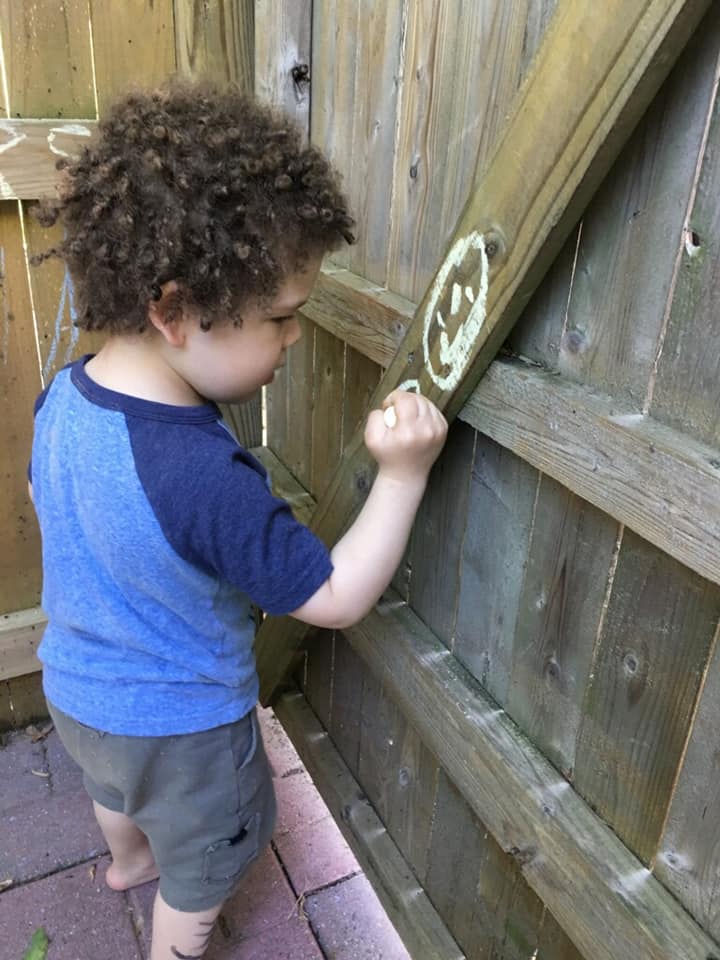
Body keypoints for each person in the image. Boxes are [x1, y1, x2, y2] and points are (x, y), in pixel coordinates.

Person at [28, 79, 447, 960]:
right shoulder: (203, 475)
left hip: (74, 693)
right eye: (283, 319)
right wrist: (402, 475)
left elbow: (63, 515)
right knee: (207, 859)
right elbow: (330, 596)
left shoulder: (59, 400)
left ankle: (123, 865)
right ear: (175, 310)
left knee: (119, 796)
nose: (294, 341)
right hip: (181, 730)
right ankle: (174, 936)